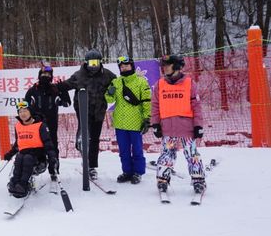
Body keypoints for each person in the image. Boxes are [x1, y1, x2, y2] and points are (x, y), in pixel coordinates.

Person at [57, 49, 116, 180]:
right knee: (85, 134)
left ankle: (91, 166)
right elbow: (66, 85)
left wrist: (114, 89)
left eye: (96, 62)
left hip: (99, 111)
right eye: (91, 63)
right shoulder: (80, 75)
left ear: (100, 62)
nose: (93, 66)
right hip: (83, 109)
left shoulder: (107, 75)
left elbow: (118, 85)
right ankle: (81, 141)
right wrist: (56, 87)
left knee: (95, 138)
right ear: (86, 62)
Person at [151, 54, 206, 194]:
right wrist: (156, 124)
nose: (164, 68)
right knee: (167, 154)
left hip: (186, 129)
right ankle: (163, 179)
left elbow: (196, 106)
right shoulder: (160, 84)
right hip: (168, 129)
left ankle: (198, 179)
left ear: (176, 66)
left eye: (167, 65)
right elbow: (155, 106)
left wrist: (198, 125)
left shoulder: (189, 83)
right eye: (163, 66)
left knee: (192, 154)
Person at [104, 56, 151, 184]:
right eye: (121, 66)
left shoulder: (141, 82)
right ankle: (127, 172)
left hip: (136, 122)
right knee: (123, 150)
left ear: (132, 66)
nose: (124, 68)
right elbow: (109, 100)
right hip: (120, 123)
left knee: (137, 149)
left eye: (126, 65)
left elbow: (147, 102)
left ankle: (138, 172)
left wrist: (147, 119)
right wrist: (109, 92)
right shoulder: (116, 82)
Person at [3, 101, 58, 198]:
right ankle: (15, 183)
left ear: (30, 112)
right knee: (19, 157)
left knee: (27, 158)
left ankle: (23, 185)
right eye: (20, 112)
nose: (22, 114)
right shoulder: (18, 126)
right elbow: (18, 144)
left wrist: (52, 157)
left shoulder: (40, 125)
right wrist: (10, 153)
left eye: (25, 111)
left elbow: (48, 143)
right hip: (23, 155)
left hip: (39, 158)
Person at [24, 65, 71, 171]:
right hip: (36, 124)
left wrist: (64, 91)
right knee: (37, 146)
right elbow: (25, 107)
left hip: (51, 124)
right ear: (39, 76)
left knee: (53, 146)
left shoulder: (55, 89)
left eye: (48, 74)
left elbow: (67, 103)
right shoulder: (33, 90)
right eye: (43, 74)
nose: (45, 76)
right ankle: (38, 166)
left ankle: (54, 168)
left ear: (51, 76)